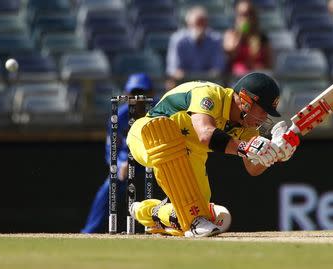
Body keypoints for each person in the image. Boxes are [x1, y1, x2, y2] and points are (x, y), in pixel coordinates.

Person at [126, 72, 299, 237]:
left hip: (191, 155)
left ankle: (151, 213)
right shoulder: (210, 94)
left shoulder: (247, 127)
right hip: (149, 133)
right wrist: (246, 147)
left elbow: (252, 167)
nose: (264, 118)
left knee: (198, 216)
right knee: (169, 147)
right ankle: (190, 219)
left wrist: (274, 154)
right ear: (245, 100)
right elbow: (205, 133)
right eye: (263, 110)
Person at [81, 73, 154, 233]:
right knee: (110, 185)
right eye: (133, 93)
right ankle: (89, 232)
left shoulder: (159, 111)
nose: (137, 98)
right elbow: (112, 149)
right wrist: (121, 163)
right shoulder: (119, 117)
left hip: (156, 161)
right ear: (127, 94)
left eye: (141, 93)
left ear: (151, 94)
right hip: (129, 164)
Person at [166, 6, 226, 88]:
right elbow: (174, 70)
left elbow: (217, 69)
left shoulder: (215, 39)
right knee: (170, 83)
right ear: (188, 23)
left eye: (203, 22)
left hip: (208, 85)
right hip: (184, 85)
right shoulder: (178, 40)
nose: (200, 26)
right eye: (197, 22)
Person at [223, 0, 274, 76]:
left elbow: (269, 64)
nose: (246, 18)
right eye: (243, 14)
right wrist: (240, 34)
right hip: (237, 79)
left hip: (257, 78)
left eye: (250, 14)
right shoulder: (231, 34)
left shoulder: (262, 38)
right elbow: (230, 55)